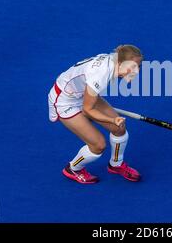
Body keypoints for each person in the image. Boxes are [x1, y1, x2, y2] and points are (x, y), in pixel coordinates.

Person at [48, 45, 143, 184]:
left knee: (119, 129)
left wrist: (113, 121)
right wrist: (112, 118)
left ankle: (116, 165)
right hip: (65, 101)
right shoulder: (101, 74)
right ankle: (73, 169)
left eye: (138, 66)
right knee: (98, 145)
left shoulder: (114, 62)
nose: (136, 71)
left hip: (82, 94)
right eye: (133, 67)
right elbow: (88, 110)